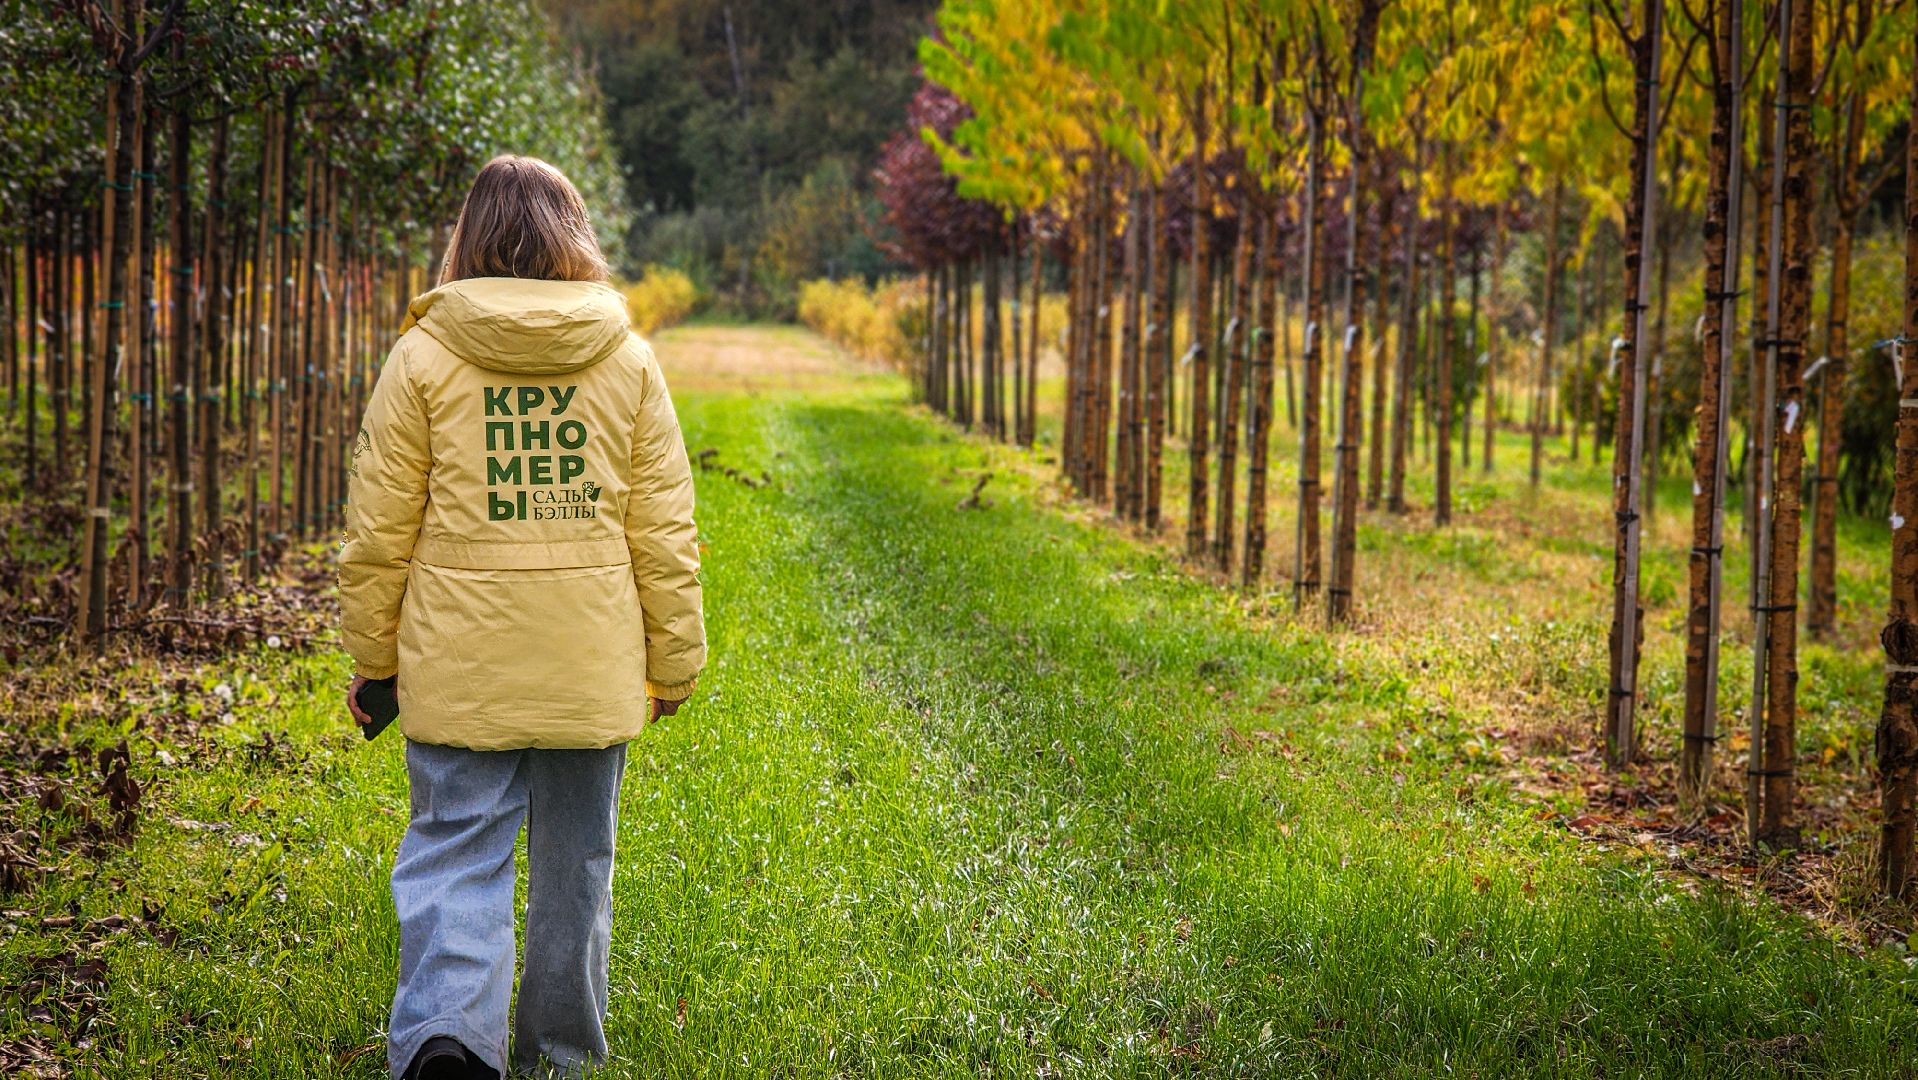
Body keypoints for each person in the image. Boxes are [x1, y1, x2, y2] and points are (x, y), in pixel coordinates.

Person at [339, 155, 705, 1080]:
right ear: (574, 237)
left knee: (456, 848)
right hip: (588, 663)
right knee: (578, 867)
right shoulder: (626, 359)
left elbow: (380, 529)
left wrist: (375, 657)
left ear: (468, 236)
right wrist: (673, 663)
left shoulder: (422, 356)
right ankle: (560, 1054)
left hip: (461, 662)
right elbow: (664, 532)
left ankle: (449, 1041)